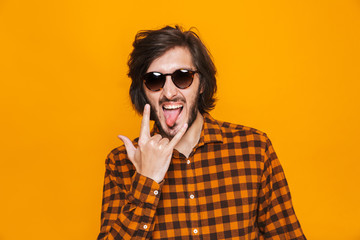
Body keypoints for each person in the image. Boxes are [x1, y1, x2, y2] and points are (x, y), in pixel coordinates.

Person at [97, 25, 306, 240]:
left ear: (202, 84)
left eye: (183, 77)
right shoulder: (121, 163)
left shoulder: (254, 149)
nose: (169, 92)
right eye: (155, 80)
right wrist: (147, 180)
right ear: (143, 91)